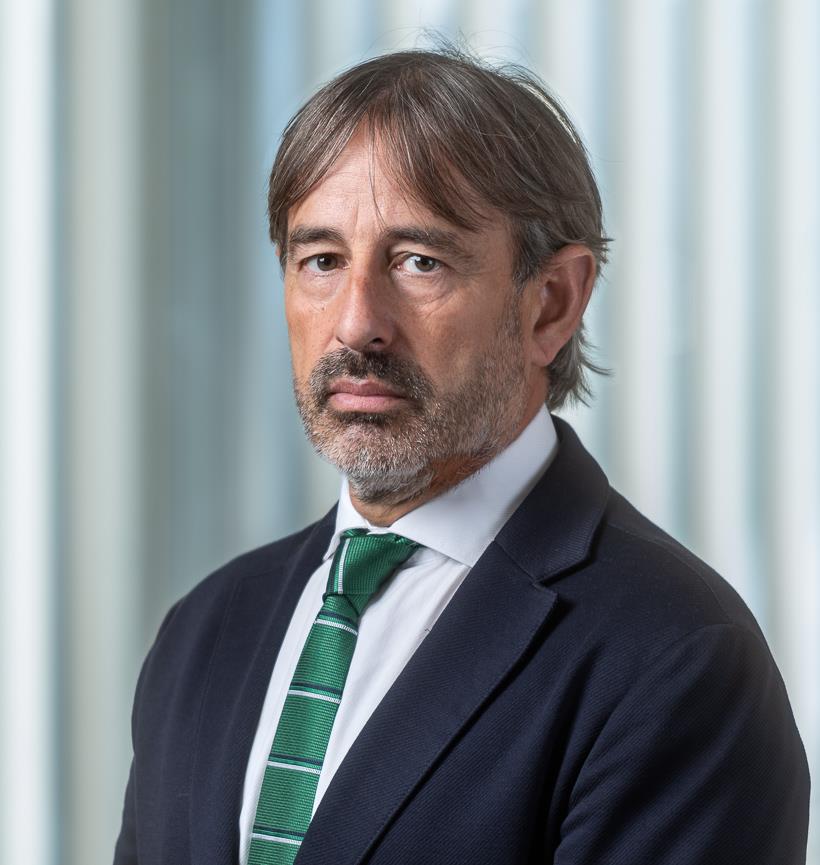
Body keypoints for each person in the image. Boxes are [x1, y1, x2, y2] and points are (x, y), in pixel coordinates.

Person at [114, 47, 810, 865]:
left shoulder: (676, 657)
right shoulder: (203, 632)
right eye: (322, 261)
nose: (356, 323)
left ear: (551, 304)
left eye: (420, 261)